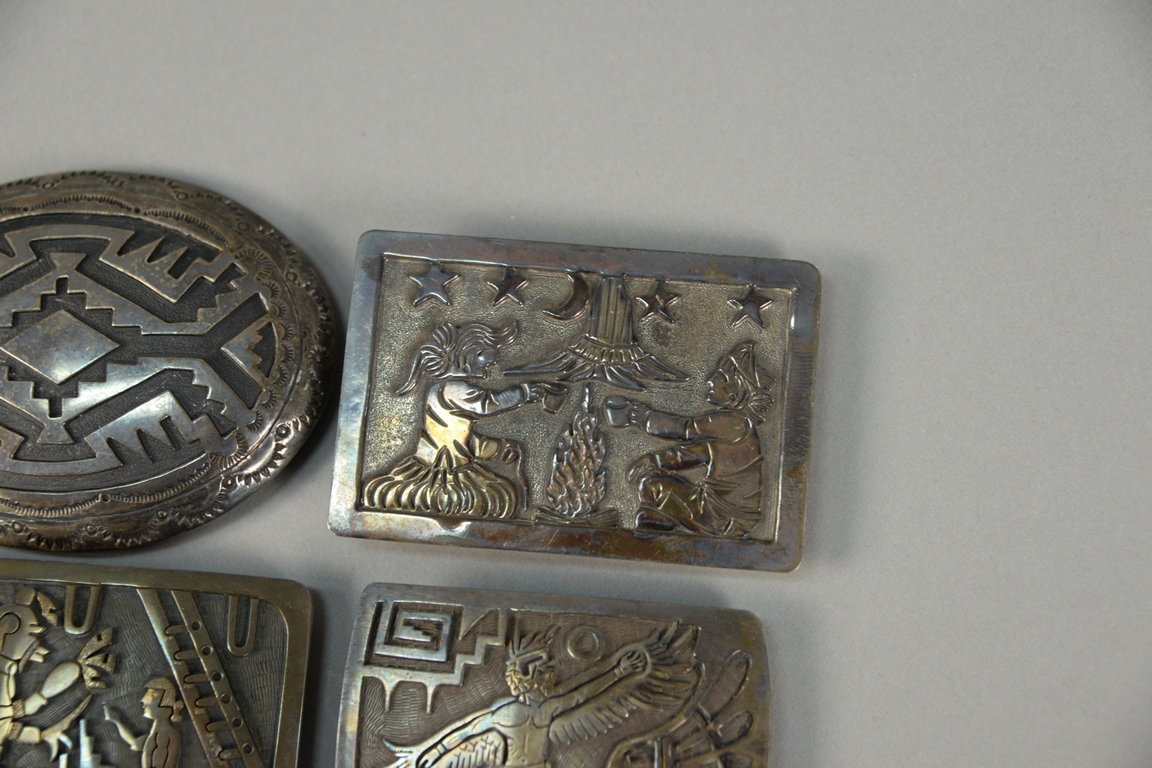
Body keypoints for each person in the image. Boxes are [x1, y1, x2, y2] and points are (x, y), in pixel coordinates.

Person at [362, 322, 565, 519]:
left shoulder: (441, 389)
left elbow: (458, 436)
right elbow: (486, 405)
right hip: (445, 470)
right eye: (488, 353)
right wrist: (524, 393)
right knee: (493, 497)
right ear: (468, 356)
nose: (493, 360)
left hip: (452, 461)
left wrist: (497, 449)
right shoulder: (453, 388)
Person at [607, 342, 773, 537]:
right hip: (726, 514)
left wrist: (639, 416)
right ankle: (658, 529)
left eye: (720, 376)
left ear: (734, 393)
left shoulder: (734, 424)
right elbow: (694, 454)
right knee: (652, 485)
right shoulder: (733, 429)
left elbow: (683, 428)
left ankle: (651, 534)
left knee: (651, 486)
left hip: (722, 516)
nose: (711, 380)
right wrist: (655, 460)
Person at [0, 587, 88, 760]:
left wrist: (40, 733)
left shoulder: (6, 671)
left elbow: (8, 720)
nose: (36, 641)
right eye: (32, 632)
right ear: (8, 627)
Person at [105, 677, 184, 768]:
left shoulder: (165, 734)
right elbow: (135, 743)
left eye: (148, 701)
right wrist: (116, 721)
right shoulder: (155, 734)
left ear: (160, 704)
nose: (143, 706)